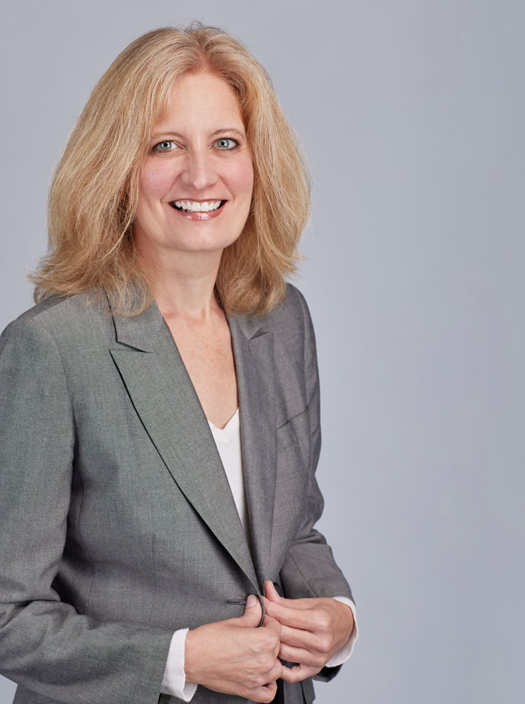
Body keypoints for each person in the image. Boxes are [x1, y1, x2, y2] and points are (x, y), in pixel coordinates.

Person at [0, 21, 357, 704]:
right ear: (117, 169)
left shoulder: (282, 323)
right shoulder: (53, 349)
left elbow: (292, 528)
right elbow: (7, 616)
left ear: (256, 162)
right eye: (166, 145)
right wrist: (179, 658)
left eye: (225, 142)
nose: (201, 174)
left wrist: (337, 617)